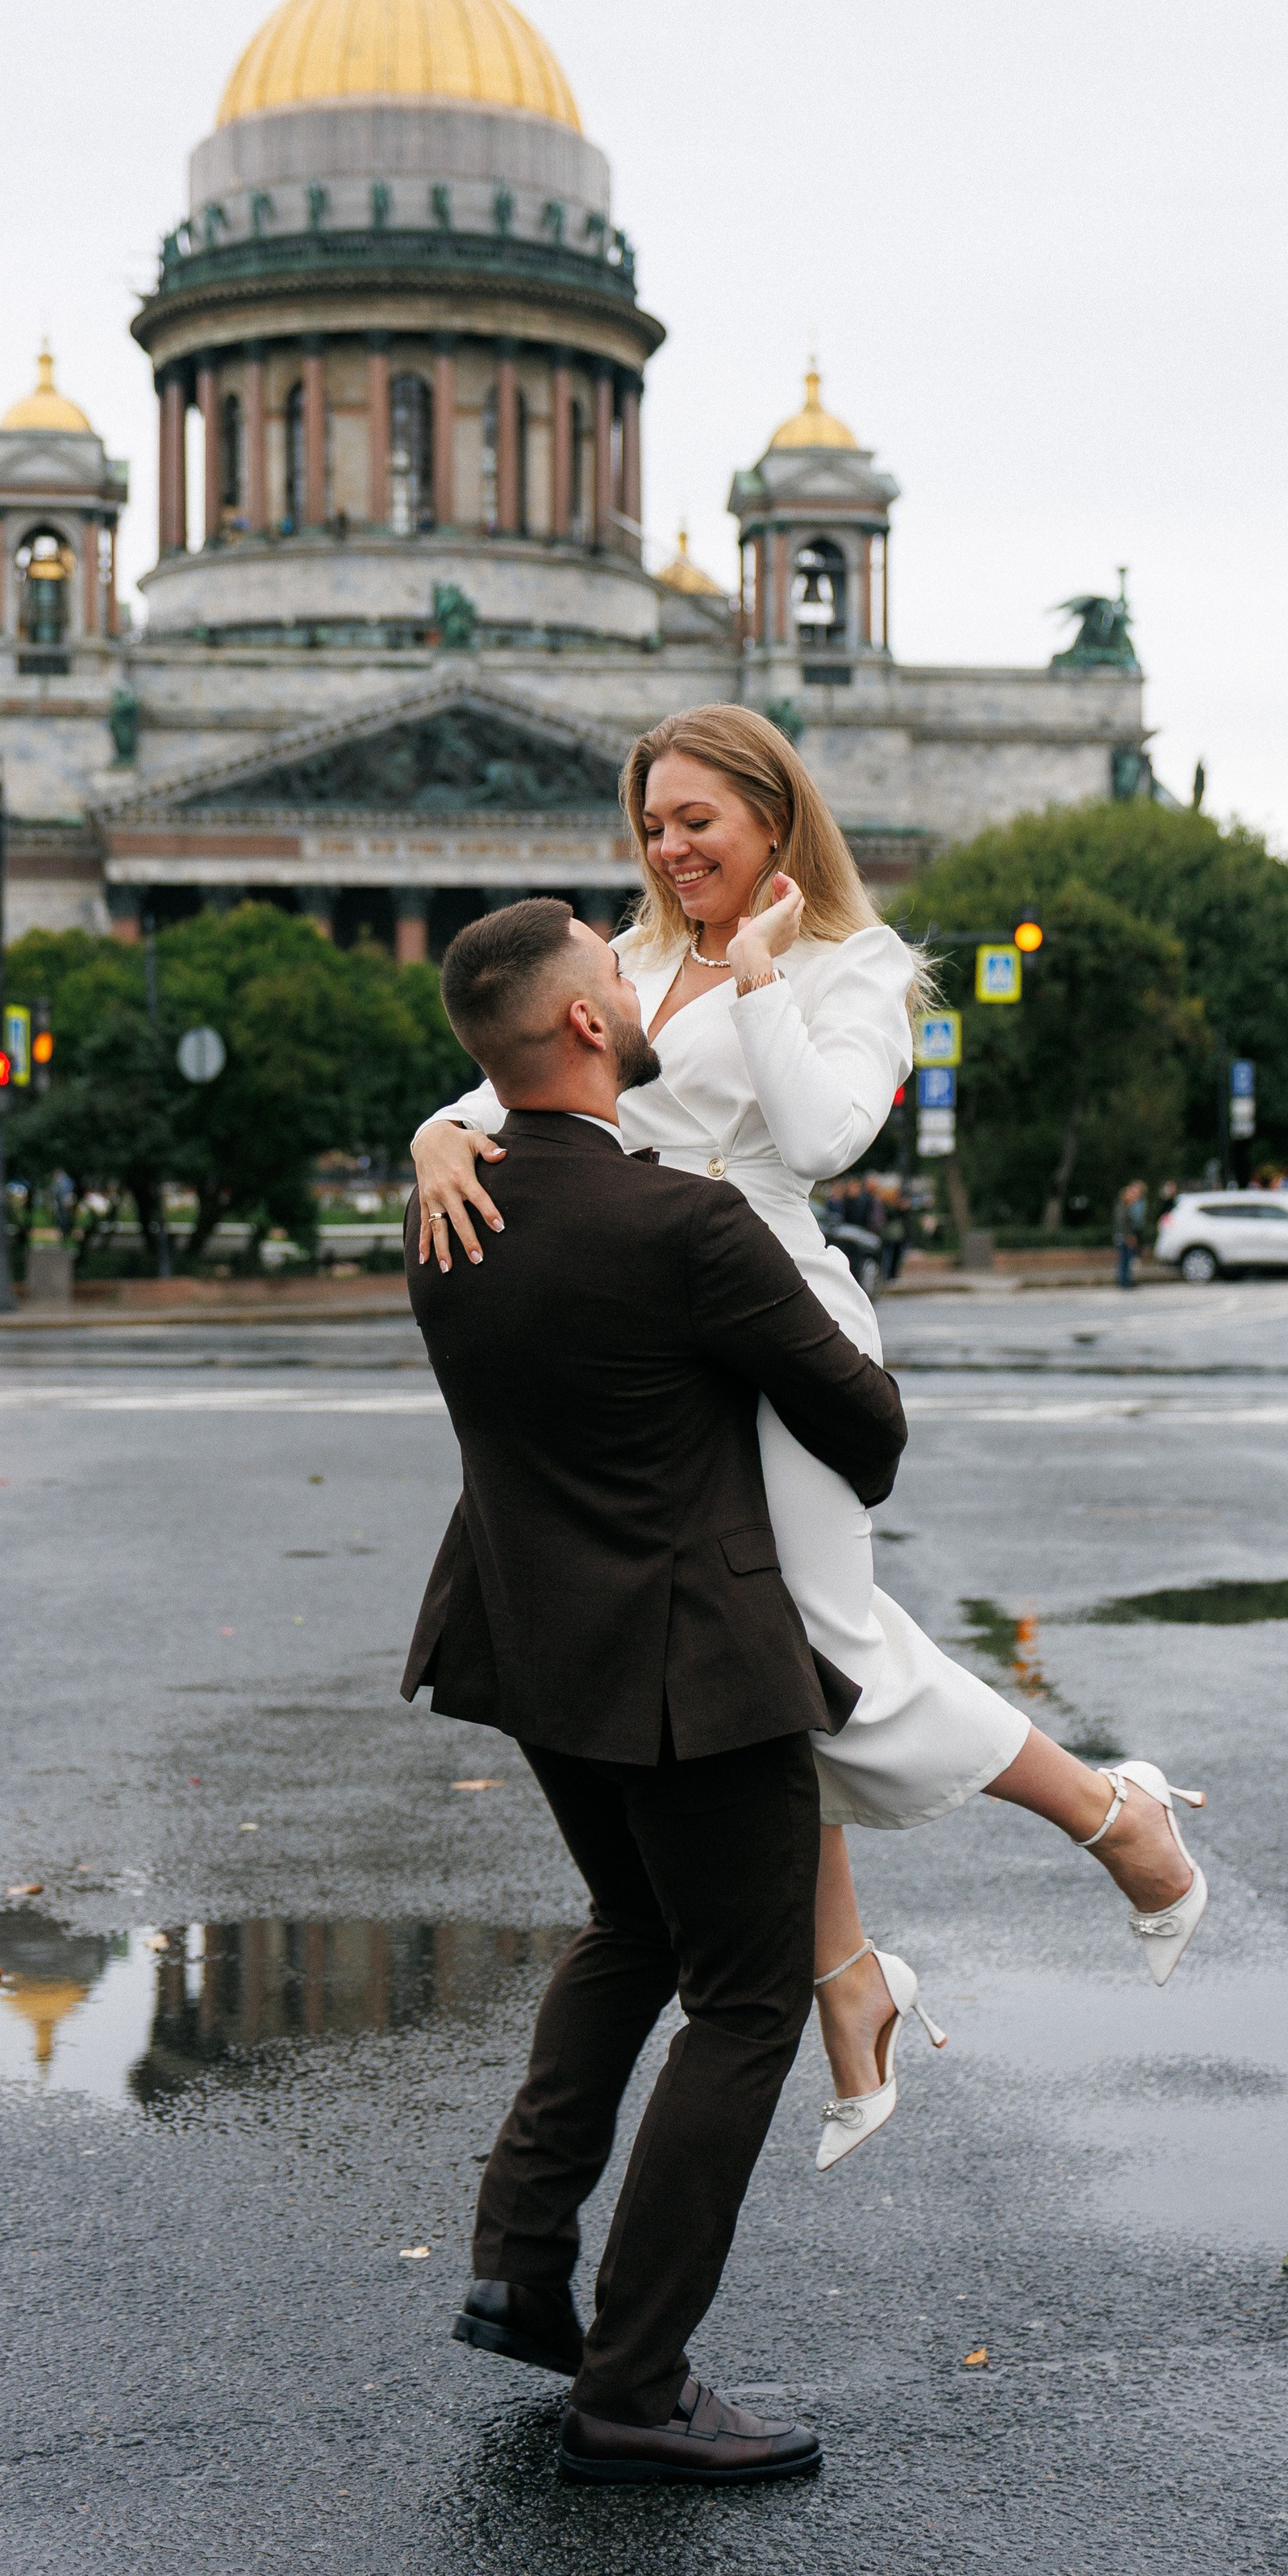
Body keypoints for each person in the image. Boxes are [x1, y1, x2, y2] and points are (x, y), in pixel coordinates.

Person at [412, 708, 1207, 2169]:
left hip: (782, 1316)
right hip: (665, 1341)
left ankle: (1113, 1818)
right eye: (652, 824)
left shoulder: (863, 968)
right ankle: (852, 1978)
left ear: (775, 817)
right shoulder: (633, 963)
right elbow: (510, 1079)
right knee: (750, 1675)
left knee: (823, 1645)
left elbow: (829, 1138)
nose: (670, 848)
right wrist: (434, 1135)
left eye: (697, 820)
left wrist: (766, 977)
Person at [407, 897, 910, 2486]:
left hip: (531, 1646)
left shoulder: (446, 1205)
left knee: (631, 1928)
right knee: (748, 2000)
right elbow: (866, 1432)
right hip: (693, 1668)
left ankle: (515, 2259)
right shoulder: (681, 1228)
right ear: (577, 1027)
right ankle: (632, 2382)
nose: (634, 983)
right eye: (608, 972)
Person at [1113, 1177, 1148, 1288]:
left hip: (1126, 1236)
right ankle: (1124, 1281)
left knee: (1127, 1259)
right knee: (1125, 1259)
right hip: (1124, 1237)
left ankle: (1126, 1280)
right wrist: (1129, 1236)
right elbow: (1123, 1223)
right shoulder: (1122, 1207)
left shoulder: (1126, 1207)